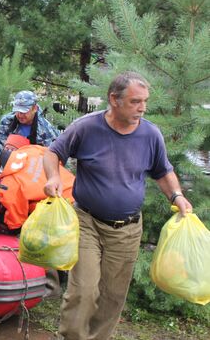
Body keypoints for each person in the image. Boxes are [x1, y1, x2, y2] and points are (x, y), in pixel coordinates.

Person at [43, 71, 192, 340]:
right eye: (135, 101)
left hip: (128, 230)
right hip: (87, 221)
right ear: (114, 99)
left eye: (145, 101)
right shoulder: (87, 127)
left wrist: (177, 196)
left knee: (113, 295)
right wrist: (53, 176)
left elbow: (163, 171)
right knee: (84, 290)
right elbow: (53, 152)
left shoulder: (150, 134)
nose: (142, 108)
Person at [0, 90, 59, 167]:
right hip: (7, 166)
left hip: (33, 170)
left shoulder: (46, 129)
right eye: (17, 111)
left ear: (34, 108)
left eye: (24, 111)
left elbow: (52, 158)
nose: (19, 115)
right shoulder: (7, 121)